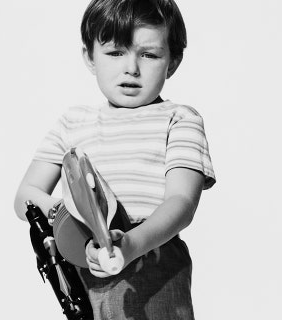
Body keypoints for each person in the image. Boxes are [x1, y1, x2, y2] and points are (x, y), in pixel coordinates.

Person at [14, 0, 215, 318]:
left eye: (149, 54)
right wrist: (62, 210)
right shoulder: (72, 123)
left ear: (173, 61)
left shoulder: (179, 119)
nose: (131, 68)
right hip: (86, 263)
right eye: (115, 52)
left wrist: (132, 245)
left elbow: (181, 202)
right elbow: (25, 196)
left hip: (154, 264)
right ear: (89, 57)